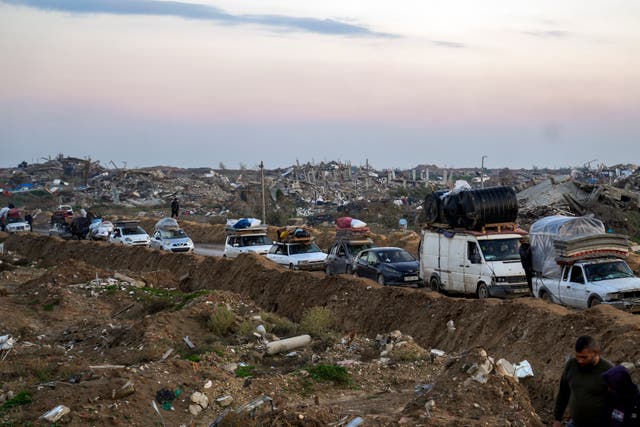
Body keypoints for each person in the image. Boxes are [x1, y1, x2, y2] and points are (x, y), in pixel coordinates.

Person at [553, 335, 613, 427]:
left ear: (596, 353)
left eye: (584, 357)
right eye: (577, 356)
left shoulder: (609, 370)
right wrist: (557, 418)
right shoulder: (571, 365)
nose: (580, 361)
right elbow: (563, 393)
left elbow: (620, 401)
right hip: (575, 423)